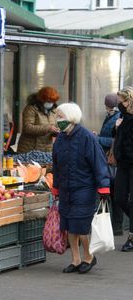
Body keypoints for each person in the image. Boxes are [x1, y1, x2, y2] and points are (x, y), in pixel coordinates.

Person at [52, 103, 110, 274]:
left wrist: (104, 187)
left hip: (84, 188)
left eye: (60, 116)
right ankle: (75, 259)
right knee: (69, 223)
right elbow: (56, 165)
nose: (57, 119)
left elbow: (99, 163)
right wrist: (56, 187)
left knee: (80, 225)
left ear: (71, 117)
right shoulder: (60, 139)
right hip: (66, 189)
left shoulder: (86, 137)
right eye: (57, 116)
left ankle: (89, 256)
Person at [95, 93, 123, 235]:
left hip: (113, 161)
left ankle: (116, 226)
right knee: (112, 192)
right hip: (109, 159)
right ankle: (114, 226)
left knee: (114, 192)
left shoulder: (117, 118)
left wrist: (98, 139)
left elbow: (113, 140)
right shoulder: (111, 117)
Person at [114, 86, 133, 252]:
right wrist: (118, 128)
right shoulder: (122, 117)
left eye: (123, 101)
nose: (120, 103)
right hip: (122, 164)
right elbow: (120, 140)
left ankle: (132, 237)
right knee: (119, 198)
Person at [17, 86, 60, 153]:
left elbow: (55, 126)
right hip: (30, 149)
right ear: (42, 99)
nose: (51, 103)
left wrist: (56, 131)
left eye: (53, 101)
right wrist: (48, 128)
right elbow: (27, 128)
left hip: (46, 149)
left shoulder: (54, 111)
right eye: (49, 101)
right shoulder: (31, 109)